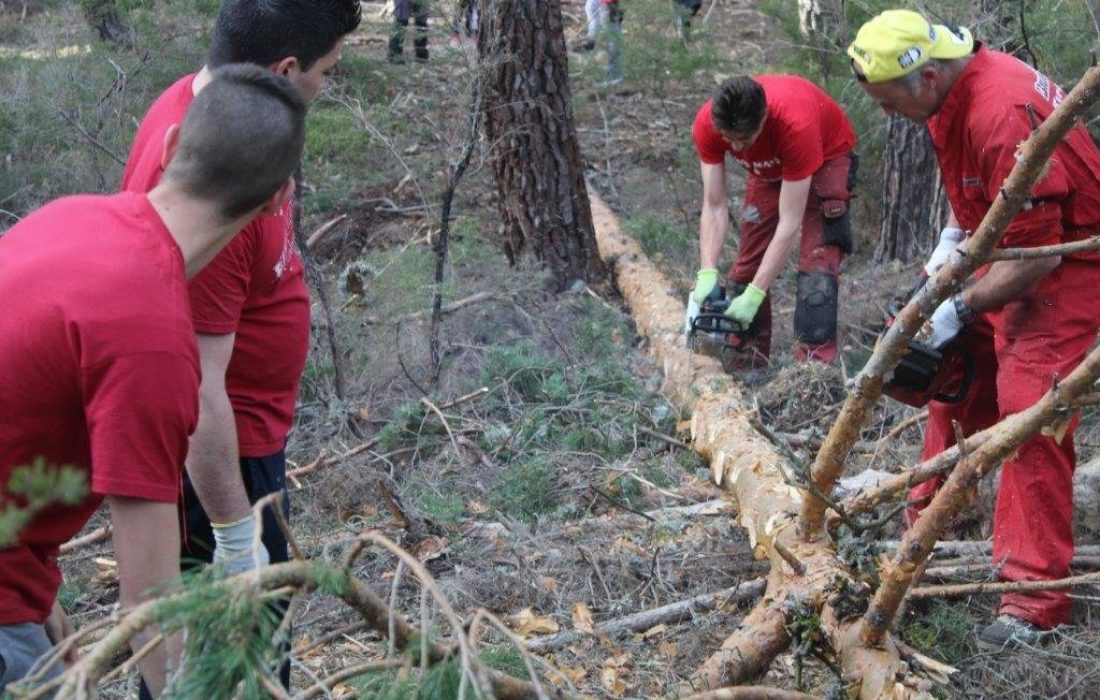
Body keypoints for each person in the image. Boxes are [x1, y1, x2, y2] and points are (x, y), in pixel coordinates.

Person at [0, 65, 307, 696]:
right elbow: (150, 608)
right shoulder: (154, 340)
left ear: (169, 148)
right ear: (279, 198)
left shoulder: (68, 216)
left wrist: (31, 584)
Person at [120, 0, 359, 691]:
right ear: (284, 71)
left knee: (254, 649)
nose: (327, 85)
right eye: (326, 71)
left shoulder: (220, 117)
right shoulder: (208, 199)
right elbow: (192, 390)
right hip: (220, 466)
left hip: (250, 444)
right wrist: (233, 533)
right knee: (230, 660)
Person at [848, 9, 1100, 649]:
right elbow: (981, 207)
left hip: (1071, 261)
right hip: (1015, 253)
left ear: (926, 76)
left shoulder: (998, 109)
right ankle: (923, 533)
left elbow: (1039, 254)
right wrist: (945, 266)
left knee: (1027, 416)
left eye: (888, 101)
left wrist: (959, 307)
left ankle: (1034, 601)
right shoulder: (950, 95)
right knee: (955, 381)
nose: (886, 114)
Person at [690, 75, 857, 369]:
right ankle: (748, 362)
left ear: (764, 117)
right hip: (770, 168)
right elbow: (714, 204)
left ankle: (812, 373)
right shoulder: (708, 124)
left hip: (827, 157)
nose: (738, 148)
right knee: (746, 270)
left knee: (816, 271)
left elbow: (789, 224)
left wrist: (756, 294)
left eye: (745, 140)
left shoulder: (796, 126)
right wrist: (707, 271)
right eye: (730, 140)